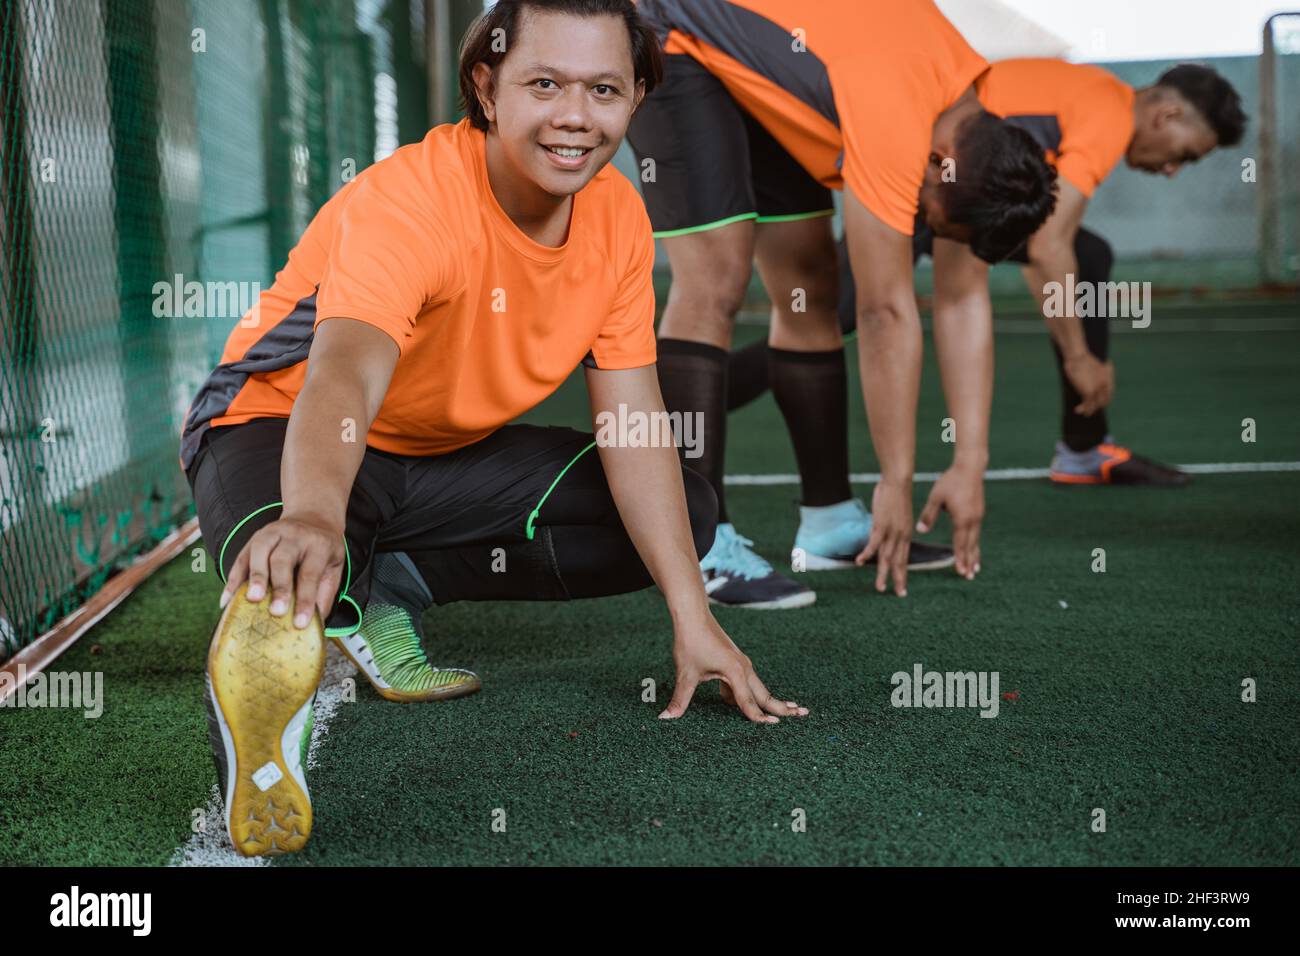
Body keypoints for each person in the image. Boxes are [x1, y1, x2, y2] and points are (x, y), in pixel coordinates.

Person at [179, 0, 806, 858]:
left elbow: (631, 418)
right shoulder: (409, 198)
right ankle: (267, 736)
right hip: (279, 425)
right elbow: (345, 371)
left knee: (682, 520)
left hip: (434, 461)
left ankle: (383, 583)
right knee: (281, 569)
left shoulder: (620, 217)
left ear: (636, 100)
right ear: (487, 85)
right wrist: (316, 513)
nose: (575, 117)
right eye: (543, 84)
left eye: (604, 89)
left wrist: (691, 613)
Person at [626, 0, 1058, 609]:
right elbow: (885, 311)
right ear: (934, 165)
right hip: (673, 33)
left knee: (811, 284)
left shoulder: (970, 121)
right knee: (716, 278)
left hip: (772, 67)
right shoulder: (898, 118)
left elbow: (961, 298)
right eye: (922, 218)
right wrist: (897, 481)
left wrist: (971, 462)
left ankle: (828, 519)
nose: (913, 227)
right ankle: (697, 540)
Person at [729, 61, 1248, 501]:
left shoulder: (1094, 94)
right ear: (1168, 114)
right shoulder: (1108, 114)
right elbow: (1048, 247)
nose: (1175, 170)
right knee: (825, 320)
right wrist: (1079, 358)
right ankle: (687, 405)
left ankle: (1084, 447)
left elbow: (1049, 240)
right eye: (1186, 155)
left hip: (964, 193)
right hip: (928, 184)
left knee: (1091, 255)